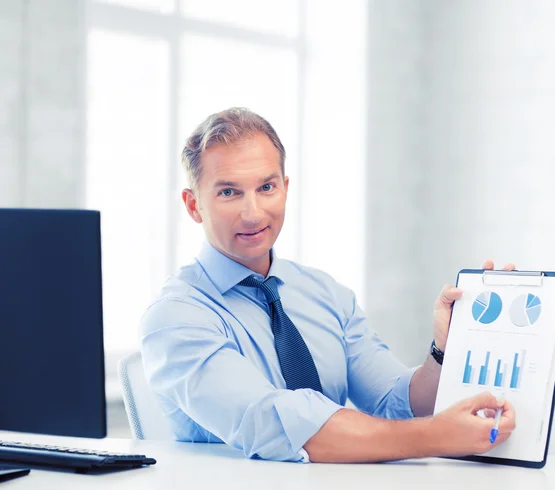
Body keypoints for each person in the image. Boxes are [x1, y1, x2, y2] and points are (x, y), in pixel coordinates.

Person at [140, 107, 516, 463]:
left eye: (266, 187)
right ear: (193, 205)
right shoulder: (175, 317)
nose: (253, 213)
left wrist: (444, 349)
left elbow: (396, 401)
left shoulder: (326, 294)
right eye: (228, 192)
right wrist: (436, 436)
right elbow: (280, 424)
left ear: (285, 188)